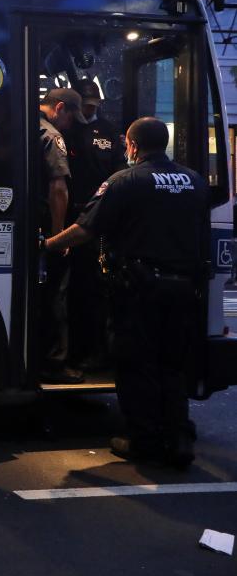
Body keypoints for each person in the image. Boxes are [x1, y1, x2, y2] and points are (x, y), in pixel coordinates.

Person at [45, 117, 209, 468]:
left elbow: (85, 230)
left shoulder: (125, 181)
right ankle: (179, 438)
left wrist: (48, 244)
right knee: (173, 366)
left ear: (132, 146)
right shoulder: (194, 181)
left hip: (141, 289)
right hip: (184, 289)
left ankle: (143, 441)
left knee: (138, 364)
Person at [65, 80, 125, 372]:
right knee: (71, 290)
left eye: (93, 103)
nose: (90, 108)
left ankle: (95, 352)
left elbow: (117, 171)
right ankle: (73, 352)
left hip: (99, 218)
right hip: (69, 216)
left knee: (95, 290)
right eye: (85, 103)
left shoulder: (110, 131)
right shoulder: (67, 127)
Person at [38, 86, 83, 384]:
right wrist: (59, 236)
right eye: (70, 118)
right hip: (44, 228)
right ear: (60, 108)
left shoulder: (24, 123)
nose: (70, 125)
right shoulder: (53, 136)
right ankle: (54, 363)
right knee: (54, 296)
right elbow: (58, 188)